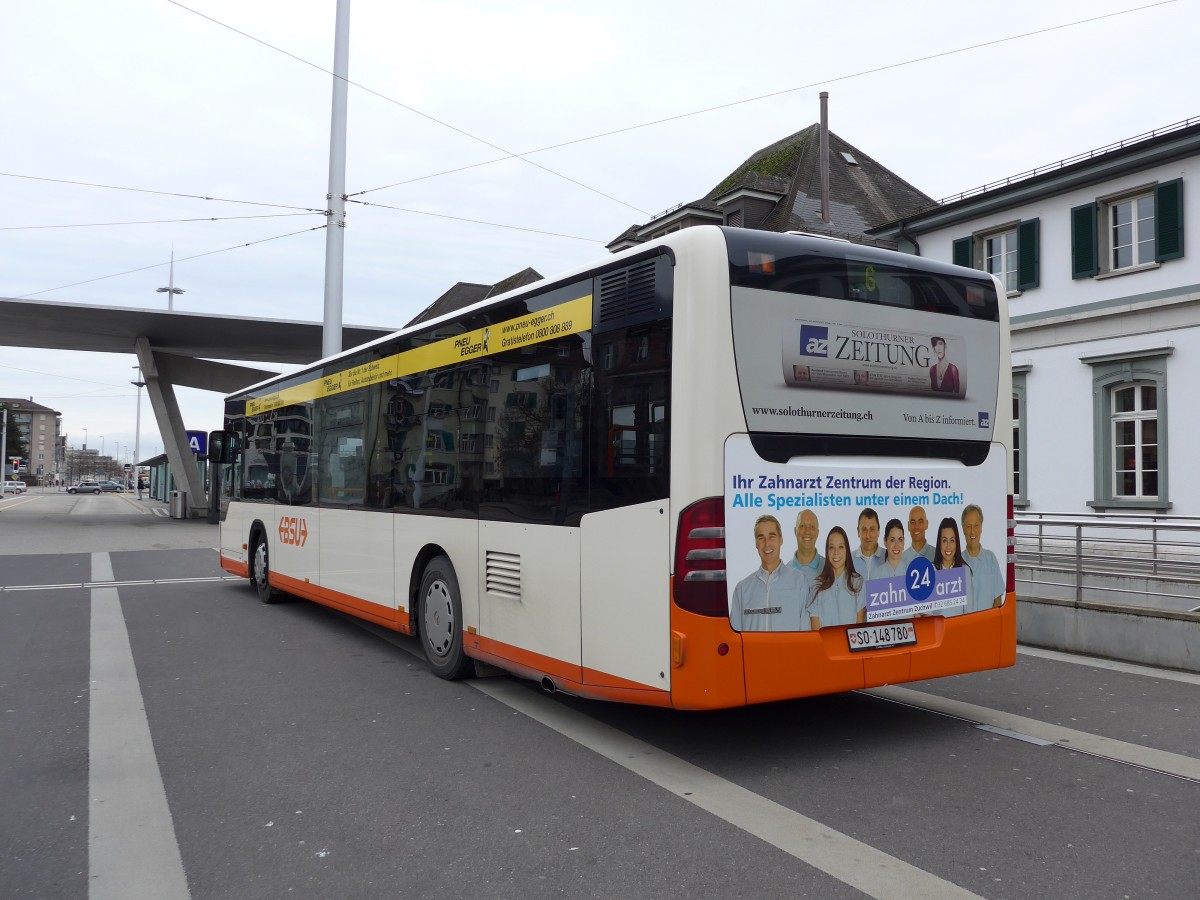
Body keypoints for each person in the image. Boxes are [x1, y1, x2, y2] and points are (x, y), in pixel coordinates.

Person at [730, 515, 808, 632]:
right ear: (756, 543)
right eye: (761, 538)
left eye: (772, 537)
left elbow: (807, 633)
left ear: (781, 540)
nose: (767, 544)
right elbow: (735, 638)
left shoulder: (799, 581)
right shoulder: (742, 589)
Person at [807, 527, 865, 629]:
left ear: (847, 549)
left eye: (841, 547)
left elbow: (859, 626)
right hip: (826, 640)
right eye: (831, 547)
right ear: (827, 551)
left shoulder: (858, 582)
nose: (836, 552)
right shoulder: (817, 586)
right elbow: (816, 630)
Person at [961, 504, 1005, 612]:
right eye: (968, 526)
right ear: (963, 529)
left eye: (976, 525)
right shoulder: (957, 563)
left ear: (981, 527)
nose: (972, 531)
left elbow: (997, 601)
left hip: (988, 621)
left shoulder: (991, 559)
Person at [933, 516, 972, 617]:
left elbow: (969, 613)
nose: (948, 547)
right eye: (944, 541)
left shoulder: (965, 571)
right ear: (939, 543)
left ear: (957, 543)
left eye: (952, 540)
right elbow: (925, 613)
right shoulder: (930, 571)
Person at [788, 509, 823, 580]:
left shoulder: (829, 569)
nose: (807, 531)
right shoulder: (785, 573)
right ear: (795, 531)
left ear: (817, 533)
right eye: (802, 526)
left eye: (812, 527)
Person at [852, 508, 886, 574]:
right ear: (858, 532)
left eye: (872, 529)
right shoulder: (849, 560)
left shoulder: (888, 557)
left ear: (878, 531)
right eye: (864, 530)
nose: (868, 536)